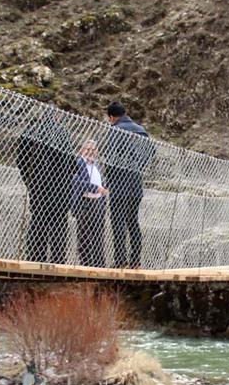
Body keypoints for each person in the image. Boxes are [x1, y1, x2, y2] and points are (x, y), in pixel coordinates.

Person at [16, 111, 76, 264]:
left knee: (38, 219)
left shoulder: (32, 131)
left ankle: (35, 258)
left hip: (38, 184)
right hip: (61, 186)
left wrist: (29, 179)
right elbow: (71, 162)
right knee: (59, 222)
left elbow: (20, 159)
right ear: (56, 118)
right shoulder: (62, 133)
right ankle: (57, 260)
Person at [101, 101, 153, 268]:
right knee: (132, 221)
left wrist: (109, 178)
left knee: (118, 222)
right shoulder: (141, 130)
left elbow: (110, 156)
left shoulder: (115, 130)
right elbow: (151, 151)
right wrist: (138, 166)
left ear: (111, 117)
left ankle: (120, 261)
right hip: (135, 182)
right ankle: (136, 260)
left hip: (119, 182)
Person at [71, 139, 109, 267]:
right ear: (82, 150)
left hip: (98, 203)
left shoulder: (98, 165)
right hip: (84, 202)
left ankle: (100, 265)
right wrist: (95, 188)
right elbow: (76, 182)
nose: (90, 152)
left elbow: (103, 182)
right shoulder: (77, 163)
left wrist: (103, 193)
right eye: (87, 149)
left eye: (93, 150)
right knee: (84, 236)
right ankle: (85, 264)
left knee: (98, 235)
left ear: (96, 152)